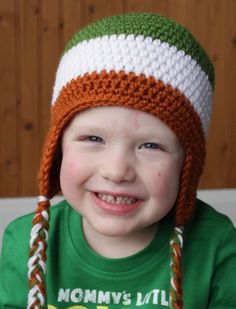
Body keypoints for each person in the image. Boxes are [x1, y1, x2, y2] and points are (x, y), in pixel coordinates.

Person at [0, 12, 235, 309]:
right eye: (93, 139)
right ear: (58, 149)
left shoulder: (215, 245)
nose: (116, 171)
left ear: (187, 166)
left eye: (151, 145)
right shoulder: (27, 243)